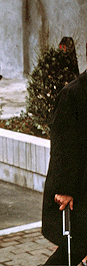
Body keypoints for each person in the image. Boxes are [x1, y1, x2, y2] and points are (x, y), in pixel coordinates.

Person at [42, 70, 87, 265]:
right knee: (76, 247)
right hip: (79, 184)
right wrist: (64, 188)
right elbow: (62, 146)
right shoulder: (73, 93)